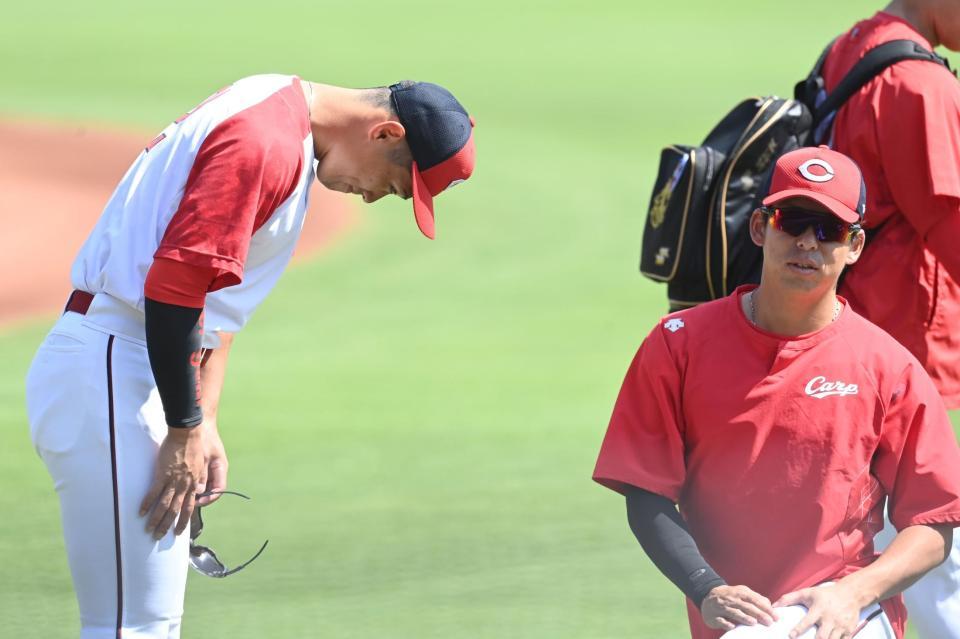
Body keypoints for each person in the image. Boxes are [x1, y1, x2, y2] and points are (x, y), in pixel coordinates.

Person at [24, 75, 476, 638]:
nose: (373, 195)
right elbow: (175, 288)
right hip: (118, 364)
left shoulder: (280, 115)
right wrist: (184, 427)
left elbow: (218, 299)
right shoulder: (262, 142)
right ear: (385, 132)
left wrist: (204, 416)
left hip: (133, 365)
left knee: (144, 625)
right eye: (394, 182)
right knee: (132, 627)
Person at [593, 146, 960, 639]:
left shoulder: (887, 366)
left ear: (854, 246)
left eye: (828, 230)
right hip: (734, 621)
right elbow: (645, 492)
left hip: (847, 612)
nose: (808, 242)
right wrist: (706, 588)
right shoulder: (677, 344)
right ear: (761, 228)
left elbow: (934, 521)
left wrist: (856, 591)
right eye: (793, 221)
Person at [820, 2, 960, 636]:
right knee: (931, 555)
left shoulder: (855, 42)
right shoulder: (918, 80)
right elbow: (952, 223)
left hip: (853, 339)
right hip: (898, 352)